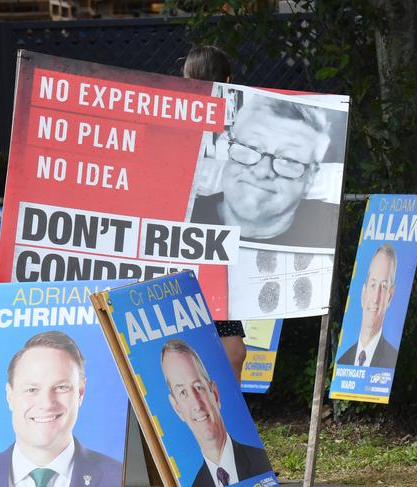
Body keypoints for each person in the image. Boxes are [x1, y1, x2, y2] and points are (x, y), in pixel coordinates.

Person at [0, 331, 122, 487]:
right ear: (10, 395)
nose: (46, 403)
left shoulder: (121, 479)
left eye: (61, 387)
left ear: (80, 392)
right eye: (32, 389)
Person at [176, 44, 247, 384]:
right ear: (230, 82)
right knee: (194, 348)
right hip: (178, 250)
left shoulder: (241, 129)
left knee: (232, 350)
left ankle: (226, 427)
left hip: (217, 256)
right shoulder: (171, 122)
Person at [189, 94, 339, 249]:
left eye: (288, 159)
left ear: (311, 177)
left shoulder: (333, 228)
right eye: (251, 147)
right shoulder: (181, 216)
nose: (261, 171)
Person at [160, 339, 273, 486]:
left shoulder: (260, 464)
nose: (196, 404)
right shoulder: (195, 484)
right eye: (183, 392)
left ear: (215, 394)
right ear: (177, 409)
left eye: (198, 387)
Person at [338, 244, 398, 368]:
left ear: (390, 297)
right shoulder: (342, 362)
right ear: (363, 293)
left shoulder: (391, 361)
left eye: (384, 286)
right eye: (373, 285)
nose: (376, 298)